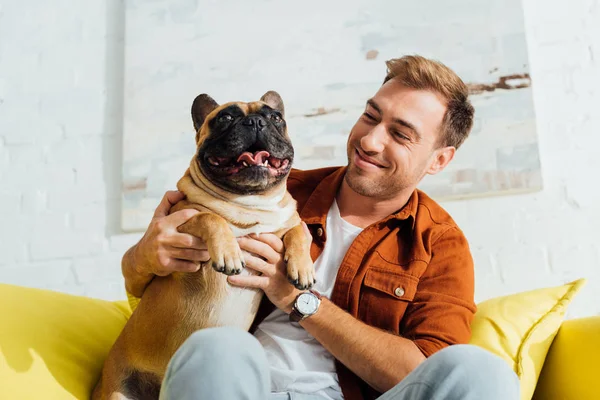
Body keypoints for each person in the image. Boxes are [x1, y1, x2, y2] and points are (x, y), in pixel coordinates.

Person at [122, 55, 520, 400]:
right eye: (370, 116)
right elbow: (144, 280)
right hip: (240, 388)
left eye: (400, 134)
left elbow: (423, 372)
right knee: (217, 348)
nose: (370, 140)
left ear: (439, 160)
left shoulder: (439, 244)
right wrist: (145, 255)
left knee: (483, 372)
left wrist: (298, 299)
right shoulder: (265, 188)